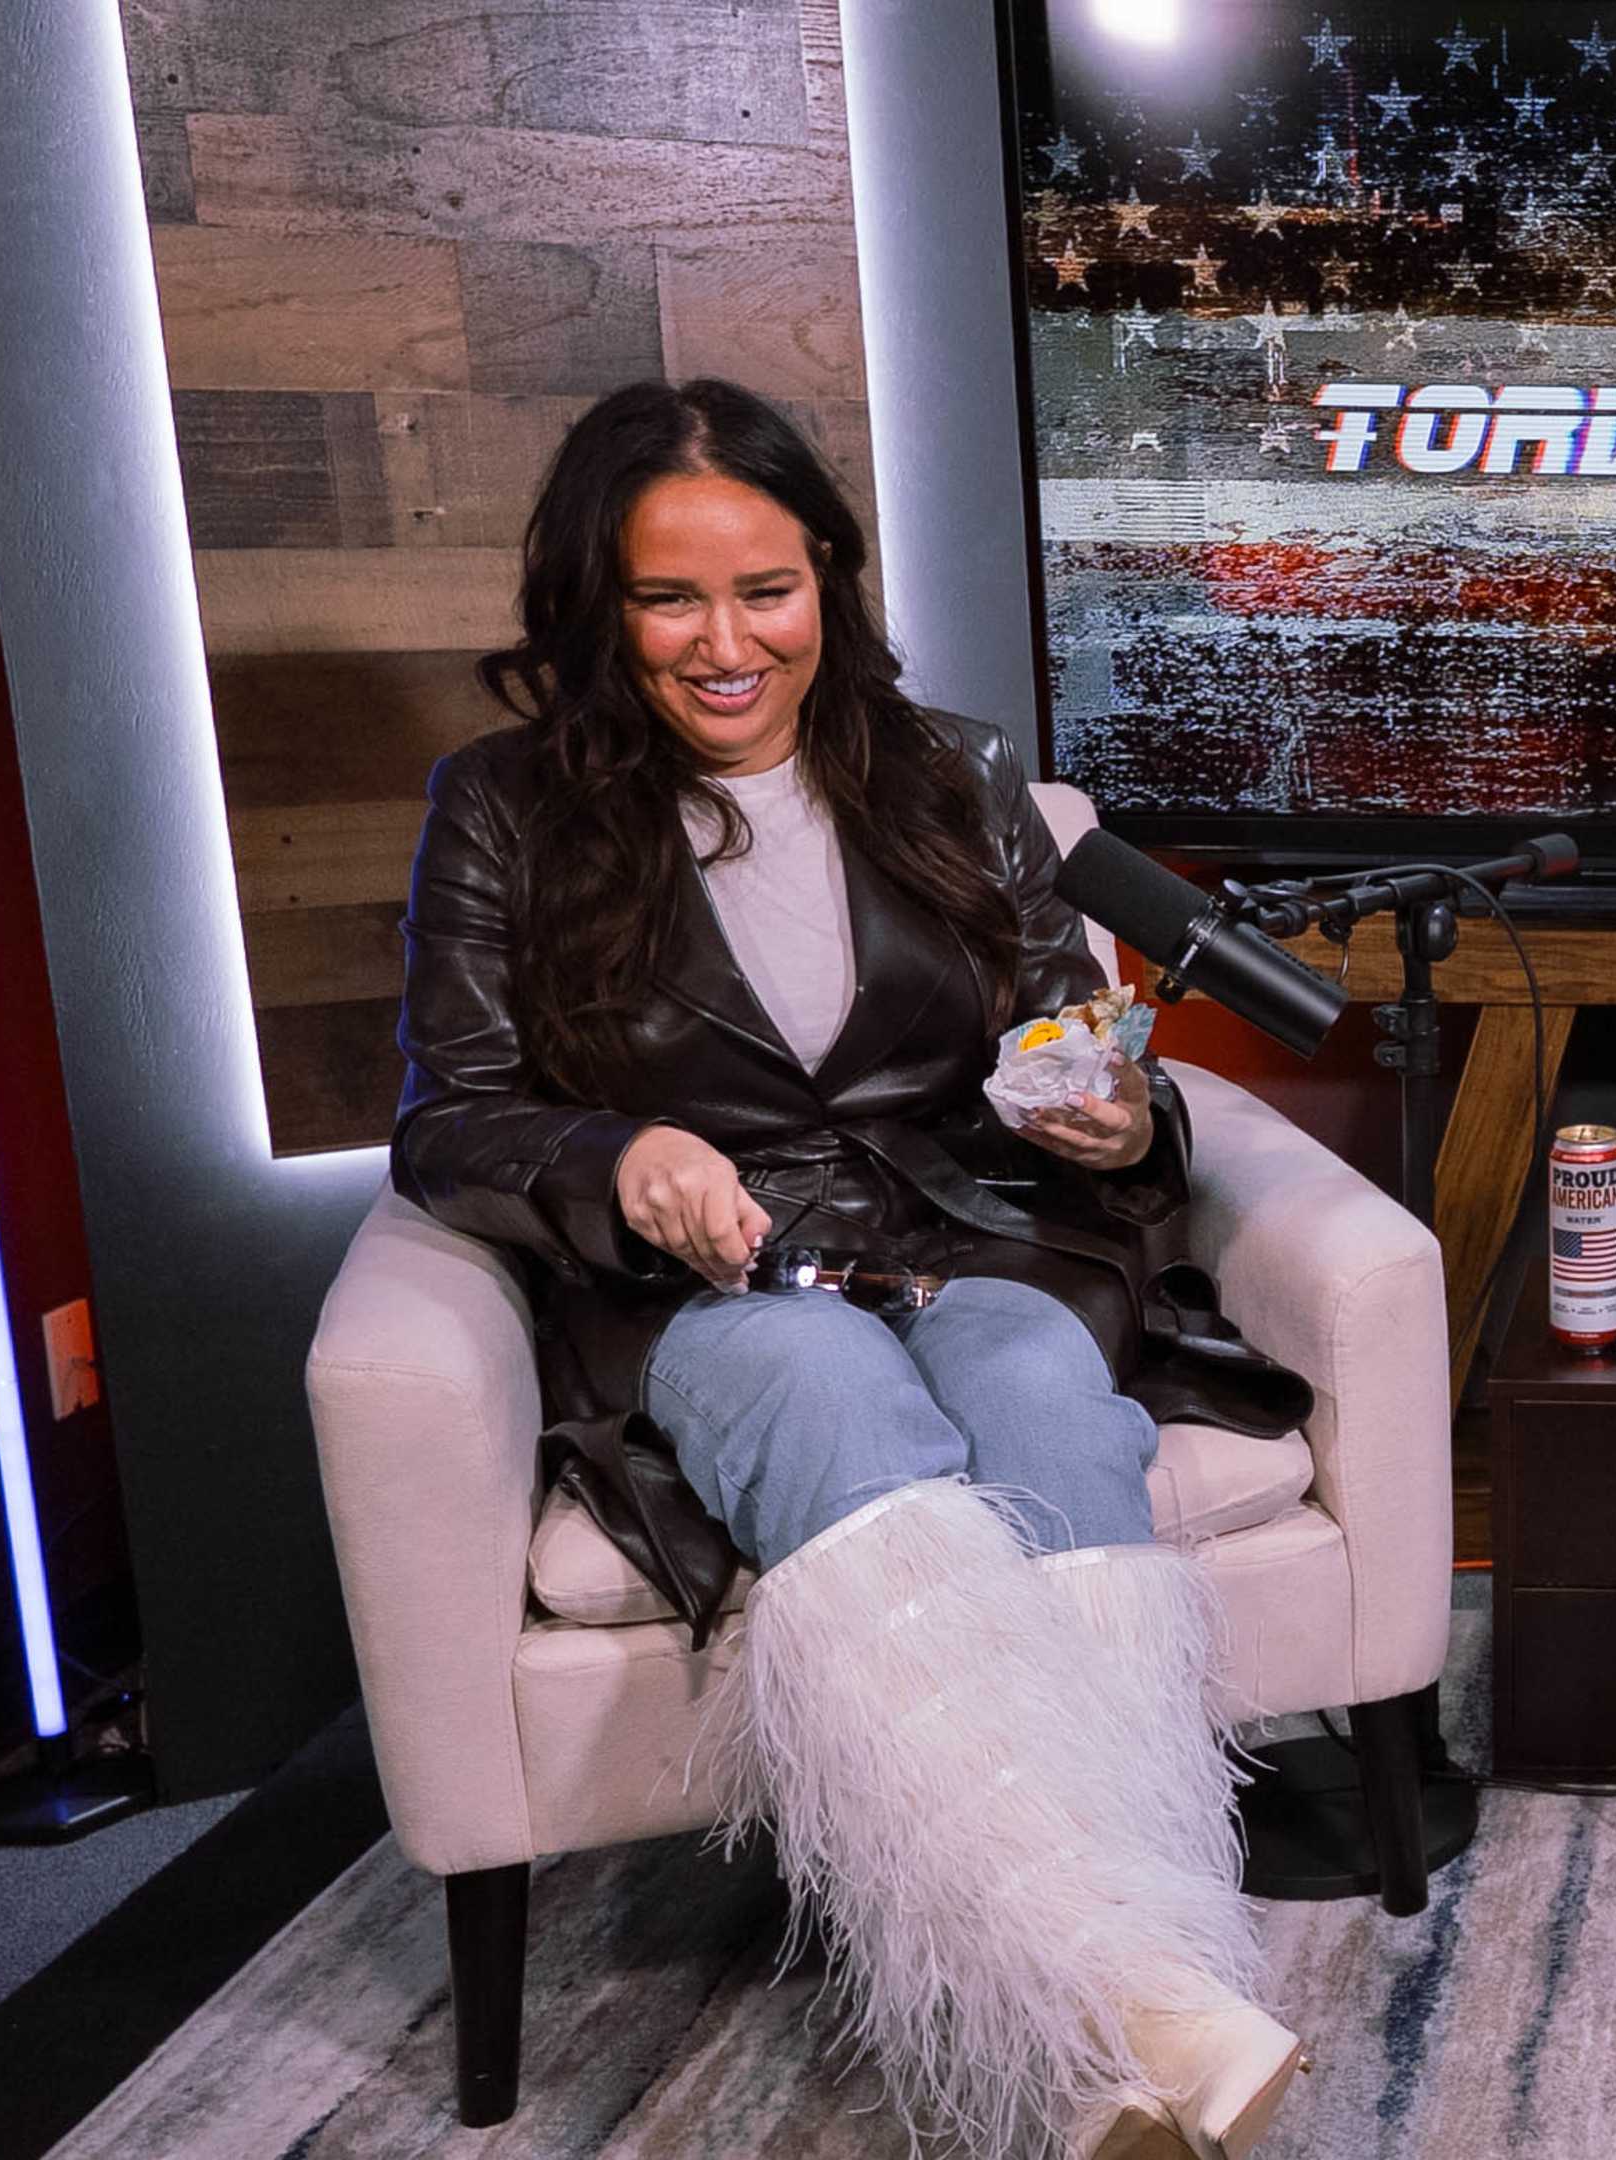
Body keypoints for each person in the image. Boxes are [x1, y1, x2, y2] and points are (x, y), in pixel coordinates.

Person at [391, 378, 1307, 2160]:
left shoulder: (954, 772)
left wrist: (1119, 1119)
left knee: (1049, 1388)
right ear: (599, 606)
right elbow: (450, 1122)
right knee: (825, 1392)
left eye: (769, 589)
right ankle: (1131, 2003)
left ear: (831, 579)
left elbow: (1068, 1030)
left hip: (969, 1235)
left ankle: (1104, 2020)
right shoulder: (504, 810)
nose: (727, 643)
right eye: (671, 599)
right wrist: (617, 1154)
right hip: (706, 1289)